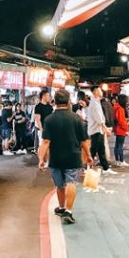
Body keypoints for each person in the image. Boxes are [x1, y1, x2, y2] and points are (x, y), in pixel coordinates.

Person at [38, 89, 85, 224]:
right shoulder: (76, 118)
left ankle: (62, 207)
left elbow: (45, 142)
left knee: (59, 185)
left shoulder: (49, 119)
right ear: (69, 102)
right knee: (71, 182)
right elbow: (84, 140)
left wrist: (41, 159)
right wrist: (87, 156)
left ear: (55, 103)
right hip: (73, 156)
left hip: (56, 157)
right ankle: (68, 211)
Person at [87, 86, 115, 174]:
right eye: (99, 90)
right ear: (95, 91)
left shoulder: (97, 102)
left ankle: (105, 168)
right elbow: (99, 119)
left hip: (98, 130)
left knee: (101, 149)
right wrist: (106, 129)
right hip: (96, 130)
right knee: (94, 150)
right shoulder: (94, 103)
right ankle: (87, 168)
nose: (101, 92)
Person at [113, 94, 129, 167]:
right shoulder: (120, 109)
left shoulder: (116, 107)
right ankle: (121, 161)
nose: (127, 101)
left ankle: (117, 160)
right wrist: (126, 129)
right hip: (121, 130)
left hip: (117, 129)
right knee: (120, 146)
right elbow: (121, 121)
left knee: (117, 145)